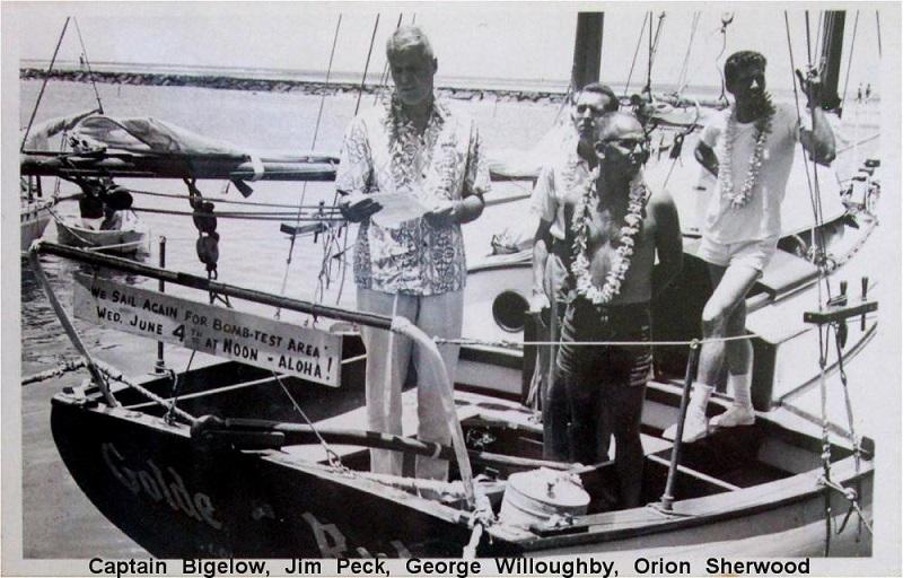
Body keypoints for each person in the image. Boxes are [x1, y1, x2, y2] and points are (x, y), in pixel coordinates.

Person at [335, 25, 490, 480]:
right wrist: (354, 207)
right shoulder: (364, 126)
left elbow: (478, 196)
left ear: (434, 68)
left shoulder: (465, 126)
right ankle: (386, 484)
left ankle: (434, 490)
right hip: (381, 274)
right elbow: (346, 194)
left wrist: (459, 211)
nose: (406, 78)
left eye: (415, 69)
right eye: (398, 70)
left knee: (439, 394)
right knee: (382, 396)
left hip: (442, 274)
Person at [665, 51, 836, 443]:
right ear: (731, 87)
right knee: (734, 322)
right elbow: (701, 150)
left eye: (760, 77)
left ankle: (695, 412)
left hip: (757, 240)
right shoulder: (719, 124)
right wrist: (727, 181)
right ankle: (741, 406)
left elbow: (824, 152)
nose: (757, 85)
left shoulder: (786, 118)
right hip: (716, 235)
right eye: (747, 80)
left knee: (713, 317)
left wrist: (814, 101)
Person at [552, 111, 682, 507]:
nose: (639, 151)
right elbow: (562, 256)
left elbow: (673, 266)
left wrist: (635, 298)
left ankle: (629, 509)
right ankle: (581, 503)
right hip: (582, 323)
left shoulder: (658, 203)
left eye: (642, 142)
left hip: (631, 327)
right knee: (581, 422)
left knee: (628, 428)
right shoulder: (575, 200)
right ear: (602, 150)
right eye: (628, 143)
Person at [527, 83, 620, 461]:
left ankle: (595, 460)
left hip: (607, 281)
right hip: (563, 274)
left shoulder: (624, 165)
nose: (585, 117)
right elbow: (541, 236)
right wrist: (537, 288)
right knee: (558, 381)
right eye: (580, 109)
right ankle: (553, 462)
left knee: (601, 379)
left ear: (611, 117)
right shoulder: (555, 168)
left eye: (595, 111)